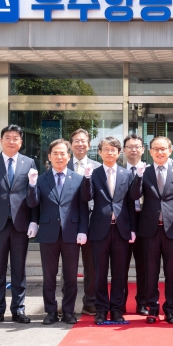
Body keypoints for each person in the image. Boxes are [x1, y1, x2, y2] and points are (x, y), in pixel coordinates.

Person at [0, 124, 39, 325]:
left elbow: (33, 194)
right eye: (8, 137)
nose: (11, 141)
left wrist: (34, 220)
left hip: (20, 222)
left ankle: (18, 309)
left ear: (21, 142)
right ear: (1, 140)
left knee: (19, 269)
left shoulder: (29, 162)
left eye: (15, 138)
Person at [26, 139, 88, 325]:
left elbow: (83, 208)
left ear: (69, 157)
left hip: (71, 233)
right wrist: (31, 186)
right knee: (49, 276)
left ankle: (69, 311)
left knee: (70, 276)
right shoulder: (41, 179)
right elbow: (33, 204)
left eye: (63, 153)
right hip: (48, 233)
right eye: (55, 153)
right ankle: (51, 311)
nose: (59, 157)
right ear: (49, 156)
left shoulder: (78, 179)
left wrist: (83, 230)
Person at [130, 136, 173, 324]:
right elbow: (134, 195)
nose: (160, 152)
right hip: (150, 230)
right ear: (150, 152)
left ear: (170, 151)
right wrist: (138, 177)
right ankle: (152, 308)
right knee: (150, 271)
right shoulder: (144, 172)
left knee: (172, 272)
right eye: (156, 149)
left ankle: (170, 308)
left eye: (163, 149)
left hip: (172, 230)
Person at [81, 136, 136, 324]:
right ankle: (101, 310)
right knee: (100, 273)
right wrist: (86, 178)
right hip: (99, 230)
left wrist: (132, 229)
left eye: (113, 150)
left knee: (120, 273)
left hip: (121, 229)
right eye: (106, 149)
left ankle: (117, 310)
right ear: (100, 152)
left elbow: (130, 203)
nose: (110, 153)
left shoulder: (126, 174)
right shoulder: (94, 173)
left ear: (119, 153)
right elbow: (86, 197)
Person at [68, 128, 101, 317]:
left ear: (89, 145)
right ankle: (67, 304)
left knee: (91, 265)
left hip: (91, 221)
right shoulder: (62, 163)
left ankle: (90, 302)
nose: (80, 144)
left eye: (83, 141)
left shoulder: (97, 166)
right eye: (76, 141)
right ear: (71, 144)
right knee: (69, 266)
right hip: (69, 220)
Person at [122, 133, 147, 316]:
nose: (133, 150)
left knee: (144, 265)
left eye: (137, 146)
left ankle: (142, 303)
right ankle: (119, 304)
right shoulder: (118, 171)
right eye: (130, 146)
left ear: (143, 150)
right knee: (121, 265)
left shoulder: (150, 171)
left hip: (144, 222)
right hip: (123, 222)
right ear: (124, 150)